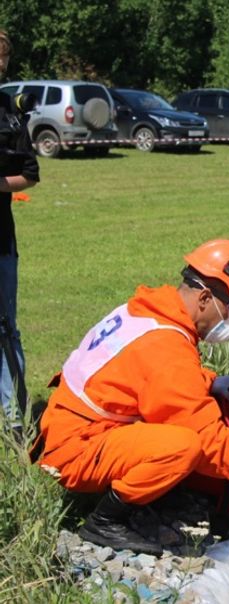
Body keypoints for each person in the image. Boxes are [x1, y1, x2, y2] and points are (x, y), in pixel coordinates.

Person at [35, 240, 229, 555]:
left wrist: (210, 381)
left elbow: (144, 376)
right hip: (74, 450)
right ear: (205, 298)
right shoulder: (166, 344)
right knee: (184, 445)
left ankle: (181, 491)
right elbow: (209, 440)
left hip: (77, 426)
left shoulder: (154, 311)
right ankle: (105, 520)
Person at [0, 29, 39, 424]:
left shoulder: (10, 113)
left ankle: (15, 420)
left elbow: (30, 174)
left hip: (1, 241)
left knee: (6, 329)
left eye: (3, 58)